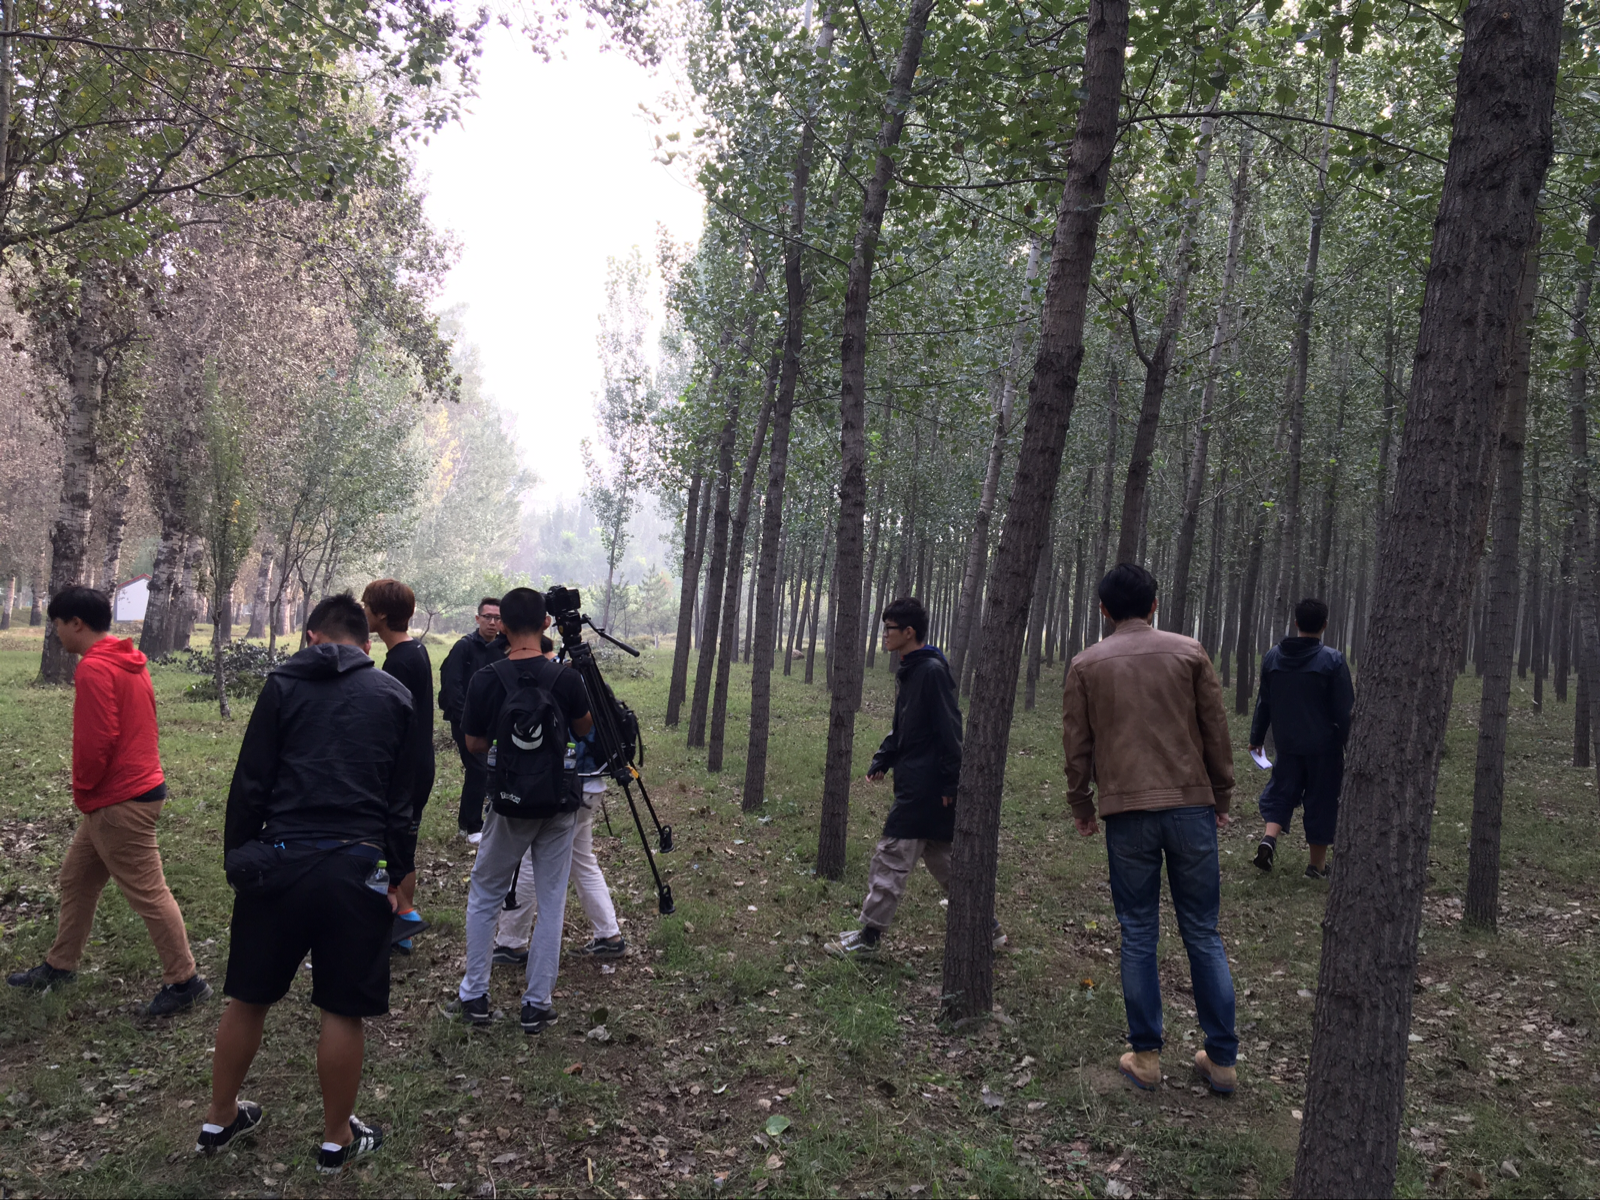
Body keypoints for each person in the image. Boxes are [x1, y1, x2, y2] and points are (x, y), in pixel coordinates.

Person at [198, 594, 417, 1174]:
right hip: (357, 867)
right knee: (342, 1009)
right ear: (365, 644)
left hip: (278, 861)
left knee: (249, 996)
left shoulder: (281, 686)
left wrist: (239, 859)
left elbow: (250, 782)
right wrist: (398, 876)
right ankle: (336, 1139)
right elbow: (403, 801)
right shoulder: (393, 694)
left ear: (312, 636)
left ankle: (219, 1117)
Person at [1062, 564, 1239, 1095]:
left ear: (1103, 610)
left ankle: (1145, 1058)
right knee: (1202, 931)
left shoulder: (1086, 664)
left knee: (1138, 931)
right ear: (1155, 604)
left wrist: (1081, 802)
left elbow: (1077, 744)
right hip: (1190, 807)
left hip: (1127, 813)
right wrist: (1221, 794)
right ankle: (1222, 1061)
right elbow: (1215, 729)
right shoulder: (1190, 652)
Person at [6, 585, 209, 1016]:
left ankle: (185, 981)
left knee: (149, 892)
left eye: (57, 625)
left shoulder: (95, 668)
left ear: (76, 623)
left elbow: (96, 741)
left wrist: (84, 790)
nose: (56, 633)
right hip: (133, 790)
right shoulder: (129, 659)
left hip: (119, 800)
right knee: (77, 878)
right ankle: (60, 965)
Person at [451, 588, 592, 1033]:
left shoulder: (486, 678)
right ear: (547, 624)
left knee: (486, 893)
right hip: (558, 802)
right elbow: (584, 727)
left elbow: (474, 742)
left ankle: (475, 995)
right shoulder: (565, 679)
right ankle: (536, 1004)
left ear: (503, 627)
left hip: (508, 803)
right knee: (551, 900)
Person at [829, 597, 969, 959]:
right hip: (919, 780)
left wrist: (949, 783)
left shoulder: (931, 672)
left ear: (909, 632)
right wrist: (885, 757)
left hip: (924, 786)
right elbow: (906, 725)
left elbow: (950, 731)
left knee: (891, 857)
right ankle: (987, 927)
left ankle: (869, 938)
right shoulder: (912, 669)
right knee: (943, 859)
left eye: (889, 629)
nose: (884, 635)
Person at [492, 636, 625, 965]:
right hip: (592, 781)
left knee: (528, 859)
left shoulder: (552, 681)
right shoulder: (574, 675)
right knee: (582, 860)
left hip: (570, 786)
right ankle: (609, 935)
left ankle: (511, 941)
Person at [1249, 597, 1355, 880]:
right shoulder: (1333, 660)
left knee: (1281, 791)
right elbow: (1345, 710)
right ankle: (1316, 867)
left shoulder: (1273, 657)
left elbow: (1264, 702)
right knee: (1321, 801)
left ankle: (1269, 839)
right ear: (1325, 625)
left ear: (1295, 622)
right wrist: (1351, 745)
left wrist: (1256, 737)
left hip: (1287, 744)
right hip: (1324, 748)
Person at [361, 579, 436, 952]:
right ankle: (401, 926)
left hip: (405, 772)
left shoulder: (399, 663)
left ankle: (403, 919)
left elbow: (391, 722)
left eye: (366, 606)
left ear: (381, 614)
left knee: (393, 847)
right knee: (404, 844)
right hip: (418, 765)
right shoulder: (415, 650)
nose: (363, 612)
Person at [440, 598, 505, 842]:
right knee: (478, 769)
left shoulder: (503, 648)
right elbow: (452, 685)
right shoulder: (464, 647)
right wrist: (463, 718)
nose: (492, 622)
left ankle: (471, 824)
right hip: (465, 720)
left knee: (488, 769)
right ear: (478, 618)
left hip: (493, 720)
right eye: (487, 617)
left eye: (497, 618)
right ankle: (472, 827)